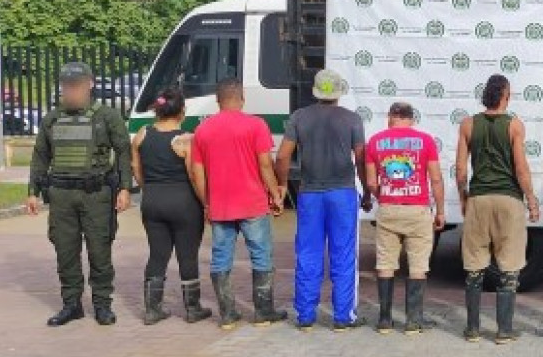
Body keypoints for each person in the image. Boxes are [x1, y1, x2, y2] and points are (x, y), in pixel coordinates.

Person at [26, 62, 132, 327]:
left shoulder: (107, 116)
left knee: (99, 250)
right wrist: (33, 191)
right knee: (65, 251)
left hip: (96, 194)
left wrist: (125, 188)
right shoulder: (52, 118)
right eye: (66, 86)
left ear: (90, 84)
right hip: (61, 194)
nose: (70, 91)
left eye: (76, 85)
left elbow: (123, 152)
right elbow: (40, 156)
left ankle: (102, 305)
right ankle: (71, 304)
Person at [274, 69, 368, 332]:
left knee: (308, 253)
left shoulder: (299, 117)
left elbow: (282, 157)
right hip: (342, 194)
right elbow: (361, 158)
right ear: (339, 92)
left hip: (310, 194)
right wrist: (368, 192)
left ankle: (305, 316)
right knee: (344, 254)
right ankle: (342, 317)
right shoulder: (352, 119)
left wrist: (281, 185)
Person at [191, 79, 288, 330]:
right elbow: (265, 164)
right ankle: (263, 311)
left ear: (217, 100)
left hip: (220, 205)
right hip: (253, 202)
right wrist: (276, 193)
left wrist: (206, 203)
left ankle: (227, 314)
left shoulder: (203, 130)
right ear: (242, 98)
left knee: (221, 257)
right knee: (260, 254)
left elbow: (197, 173)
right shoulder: (256, 125)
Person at [454, 74, 540, 344]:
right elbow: (521, 168)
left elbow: (459, 170)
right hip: (508, 200)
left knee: (474, 266)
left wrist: (464, 196)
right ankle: (504, 330)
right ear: (506, 96)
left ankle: (472, 329)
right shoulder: (515, 126)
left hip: (479, 198)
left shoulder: (468, 124)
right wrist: (532, 198)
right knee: (509, 264)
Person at [131, 87, 211, 325]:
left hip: (153, 200)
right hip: (183, 202)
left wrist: (150, 188)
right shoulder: (187, 139)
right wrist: (206, 203)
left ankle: (152, 309)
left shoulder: (142, 134)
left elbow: (136, 169)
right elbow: (195, 176)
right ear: (182, 111)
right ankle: (193, 308)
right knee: (187, 255)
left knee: (157, 254)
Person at [364, 101, 446, 334]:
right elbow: (436, 179)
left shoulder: (375, 141)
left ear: (391, 117)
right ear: (412, 119)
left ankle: (384, 320)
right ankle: (413, 321)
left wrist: (384, 196)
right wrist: (440, 211)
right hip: (417, 209)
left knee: (385, 264)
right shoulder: (426, 141)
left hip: (389, 208)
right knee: (418, 265)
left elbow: (371, 182)